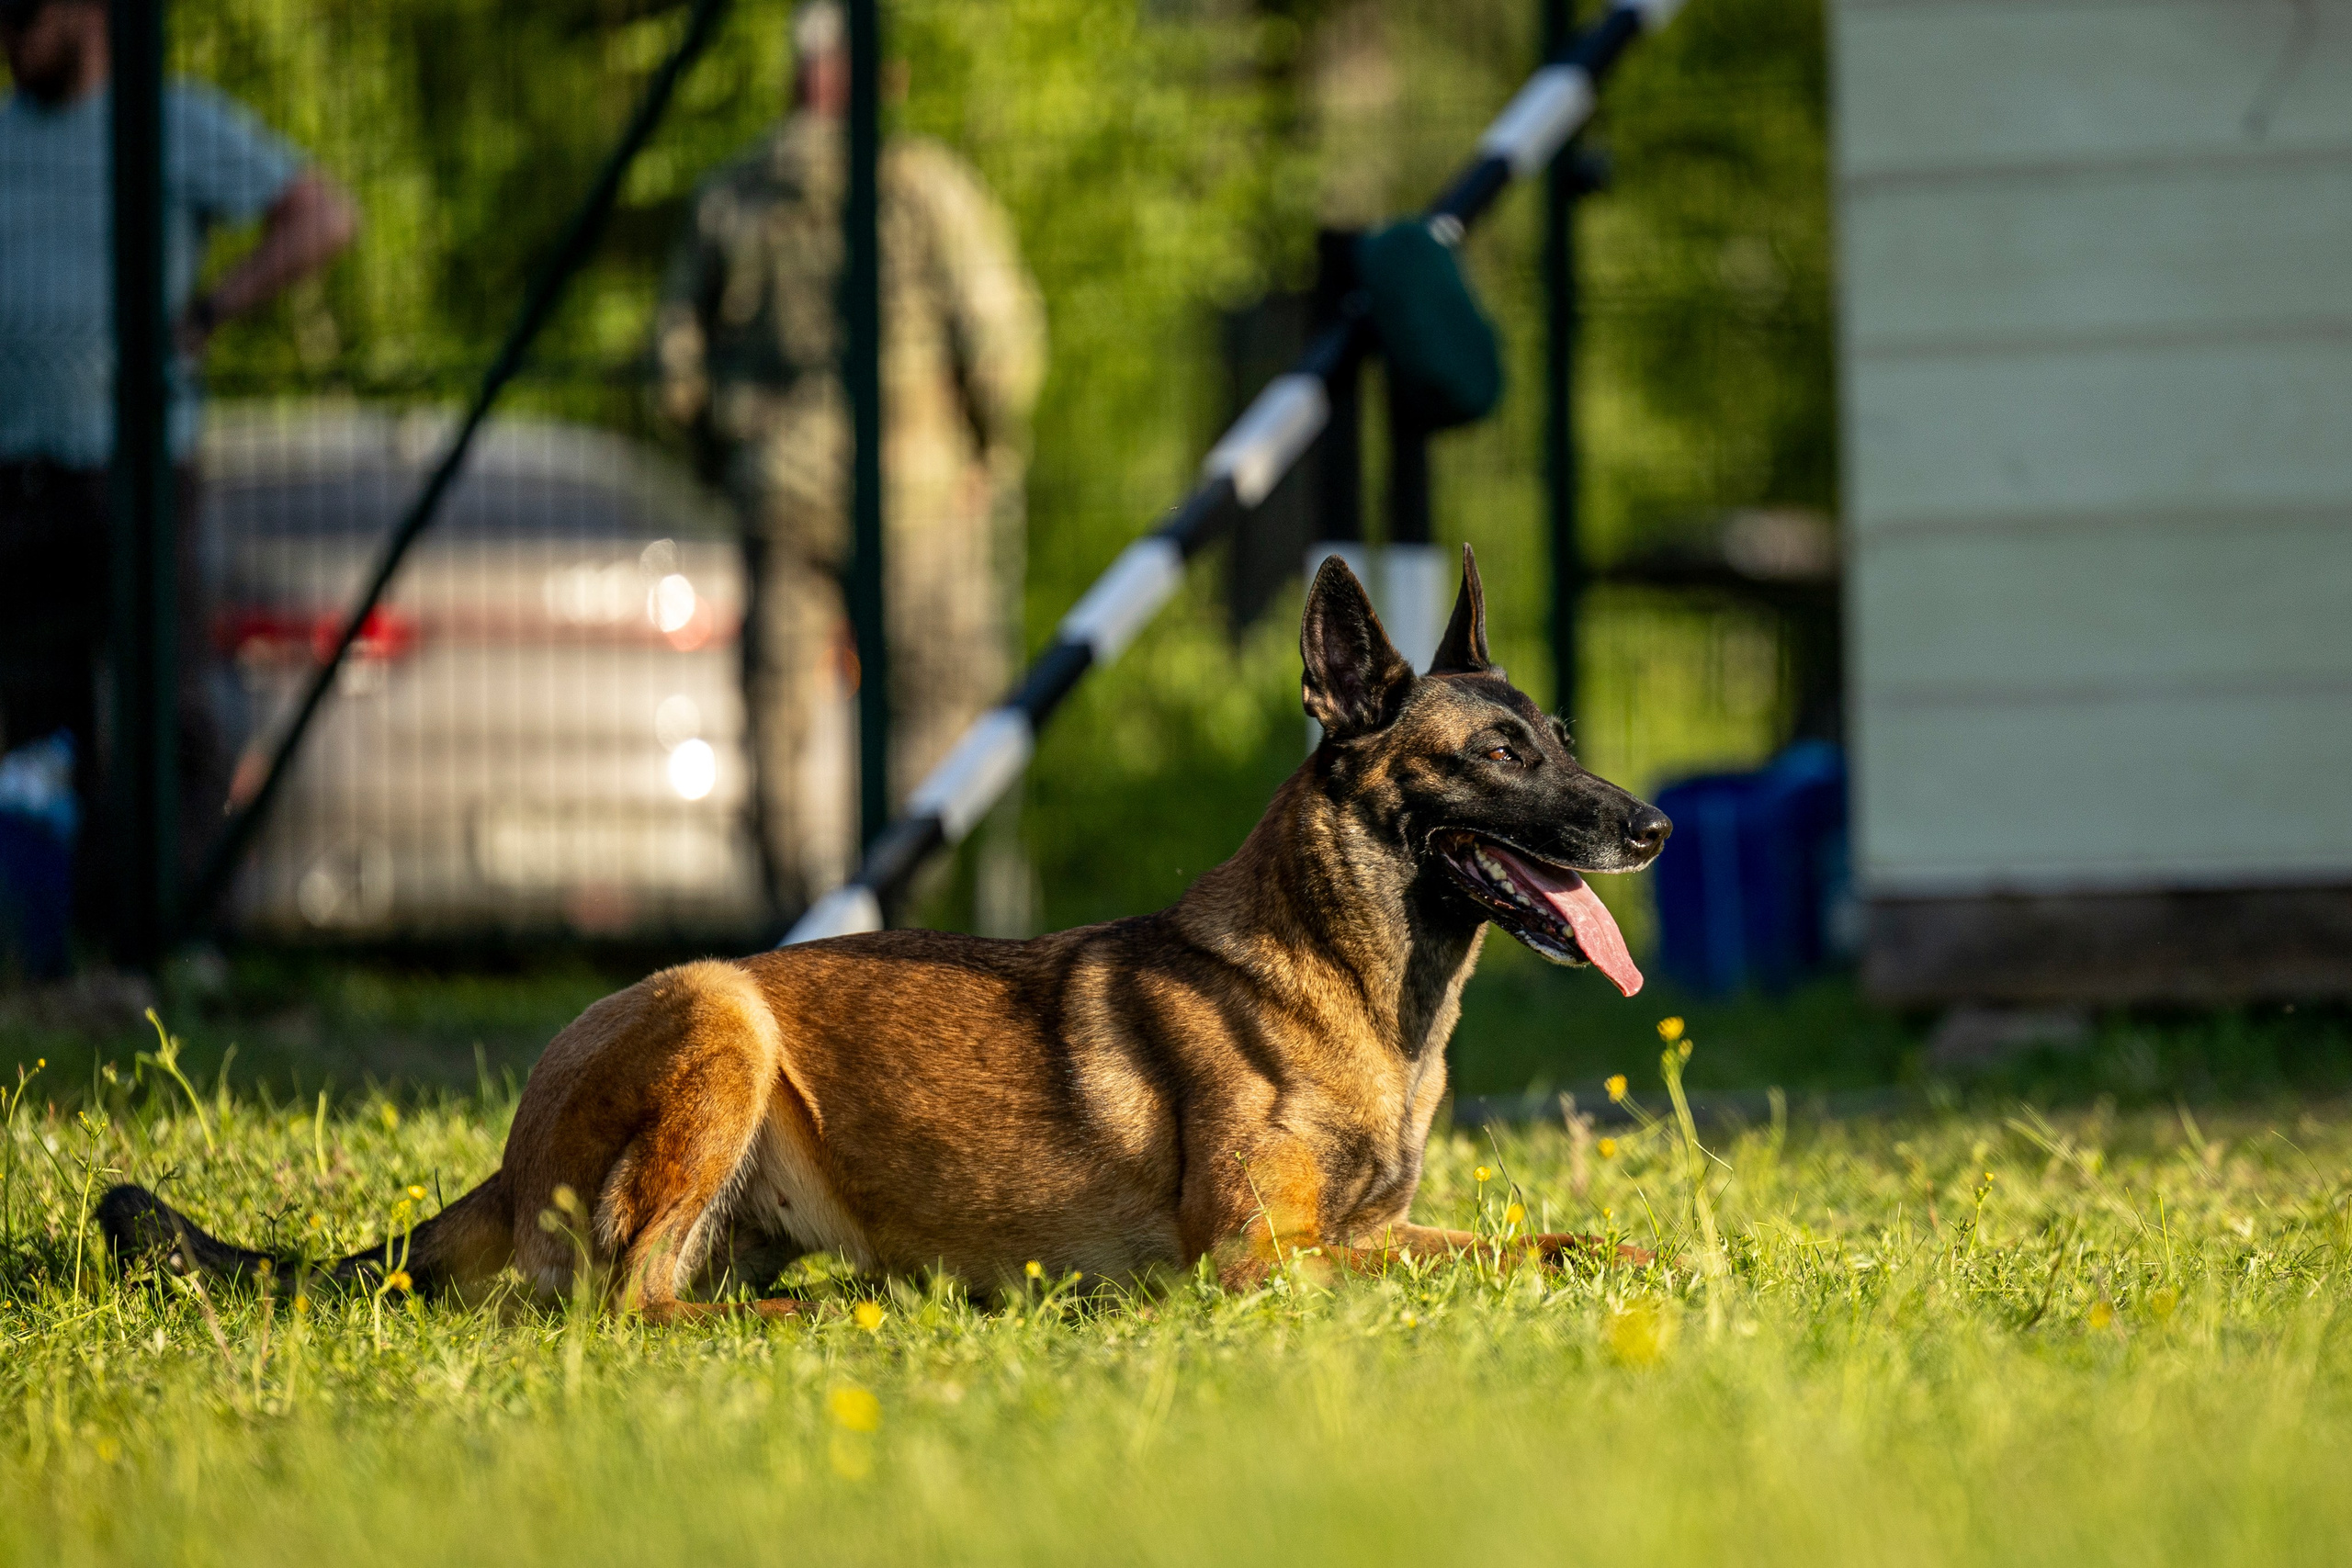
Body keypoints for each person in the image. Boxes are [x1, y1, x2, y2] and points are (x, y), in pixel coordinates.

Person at [655, 0, 1045, 919]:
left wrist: (730, 461)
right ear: (879, 82)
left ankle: (799, 922)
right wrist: (989, 447)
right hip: (918, 491)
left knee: (778, 716)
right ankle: (886, 893)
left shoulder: (733, 193)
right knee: (948, 691)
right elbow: (1000, 347)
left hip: (777, 488)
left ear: (795, 79)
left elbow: (671, 369)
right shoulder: (922, 186)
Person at [0, 0, 356, 940]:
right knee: (34, 713)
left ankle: (168, 934)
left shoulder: (171, 120)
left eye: (27, 13)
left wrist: (210, 311)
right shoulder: (5, 137)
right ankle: (45, 940)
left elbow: (324, 215)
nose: (11, 31)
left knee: (167, 703)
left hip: (137, 474)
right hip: (16, 477)